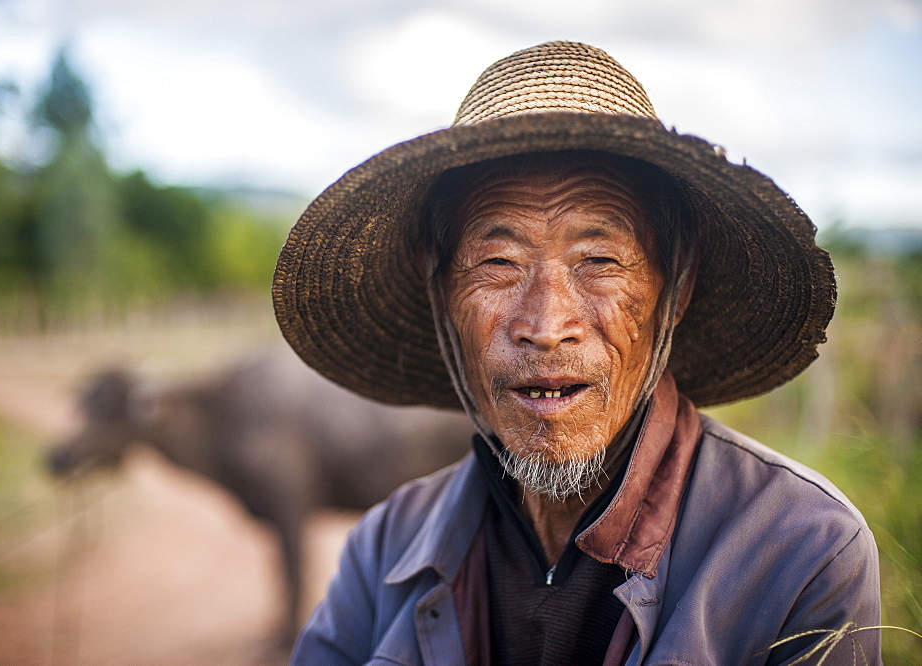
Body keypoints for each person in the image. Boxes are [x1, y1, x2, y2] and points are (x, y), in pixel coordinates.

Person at [273, 41, 881, 665]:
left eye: (599, 261)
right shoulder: (383, 550)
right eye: (498, 264)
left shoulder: (803, 552)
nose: (546, 325)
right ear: (441, 292)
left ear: (675, 287)